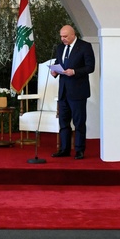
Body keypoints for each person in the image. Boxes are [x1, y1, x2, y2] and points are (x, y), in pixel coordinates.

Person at [49, 24, 95, 160]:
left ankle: (79, 150)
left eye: (65, 36)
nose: (62, 39)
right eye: (61, 36)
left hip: (78, 91)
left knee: (79, 122)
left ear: (73, 35)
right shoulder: (60, 48)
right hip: (63, 91)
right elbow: (58, 62)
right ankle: (64, 149)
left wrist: (74, 71)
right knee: (63, 122)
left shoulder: (85, 46)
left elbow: (90, 67)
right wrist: (54, 71)